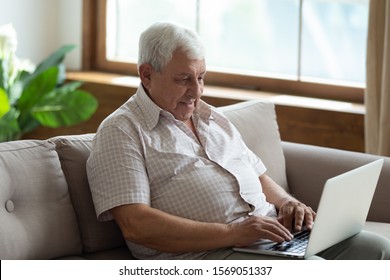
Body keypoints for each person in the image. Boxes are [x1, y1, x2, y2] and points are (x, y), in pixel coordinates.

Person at [86, 22, 390, 260]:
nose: (197, 91)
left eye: (201, 77)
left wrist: (287, 203)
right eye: (184, 79)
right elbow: (137, 225)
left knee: (377, 249)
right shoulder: (122, 131)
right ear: (147, 74)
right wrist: (233, 233)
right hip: (204, 256)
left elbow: (258, 175)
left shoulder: (212, 117)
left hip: (269, 240)